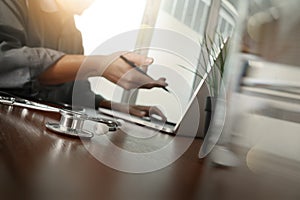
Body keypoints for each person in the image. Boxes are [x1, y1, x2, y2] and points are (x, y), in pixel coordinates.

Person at [0, 0, 168, 119]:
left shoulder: (72, 34)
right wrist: (97, 65)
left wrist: (116, 107)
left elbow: (75, 91)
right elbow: (5, 62)